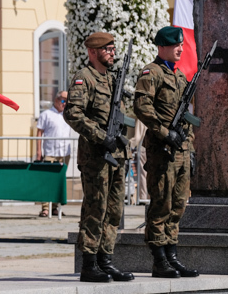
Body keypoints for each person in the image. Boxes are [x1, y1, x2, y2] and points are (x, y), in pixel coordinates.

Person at [64, 32, 134, 283]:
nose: (112, 52)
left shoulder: (112, 79)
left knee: (114, 211)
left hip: (116, 154)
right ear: (93, 52)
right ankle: (89, 264)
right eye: (107, 49)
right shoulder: (85, 78)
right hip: (96, 156)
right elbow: (73, 114)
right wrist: (100, 136)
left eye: (113, 48)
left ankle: (106, 261)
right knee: (96, 209)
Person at [133, 26, 198, 278]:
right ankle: (159, 259)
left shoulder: (180, 76)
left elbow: (187, 118)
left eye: (181, 45)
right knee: (161, 204)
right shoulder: (152, 73)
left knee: (179, 205)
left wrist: (189, 147)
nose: (181, 48)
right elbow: (142, 107)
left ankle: (172, 256)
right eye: (175, 45)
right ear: (162, 47)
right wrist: (163, 132)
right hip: (162, 150)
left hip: (181, 150)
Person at [35, 90, 76, 217]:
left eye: (67, 102)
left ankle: (55, 207)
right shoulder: (46, 114)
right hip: (50, 151)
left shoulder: (67, 115)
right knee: (47, 180)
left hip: (64, 152)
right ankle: (45, 208)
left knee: (59, 181)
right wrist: (38, 151)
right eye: (63, 101)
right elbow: (39, 133)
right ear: (56, 100)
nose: (65, 104)